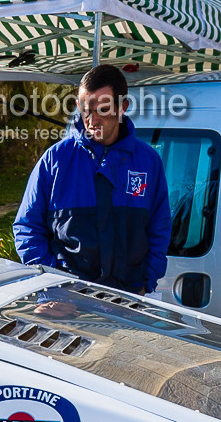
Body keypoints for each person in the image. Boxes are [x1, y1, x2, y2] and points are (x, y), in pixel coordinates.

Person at [13, 64, 172, 294]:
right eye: (86, 109)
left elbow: (160, 227)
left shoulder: (148, 162)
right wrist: (50, 283)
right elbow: (26, 226)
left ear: (122, 108)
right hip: (68, 300)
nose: (92, 119)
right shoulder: (55, 160)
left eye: (103, 109)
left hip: (131, 300)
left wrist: (147, 279)